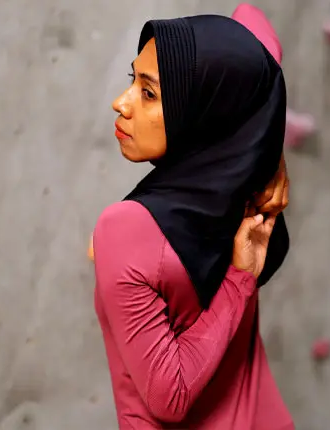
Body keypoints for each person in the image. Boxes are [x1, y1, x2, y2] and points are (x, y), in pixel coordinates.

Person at [92, 13, 294, 430]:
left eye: (148, 93)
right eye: (134, 80)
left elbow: (172, 398)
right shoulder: (246, 195)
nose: (122, 102)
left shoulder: (125, 229)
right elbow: (255, 32)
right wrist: (269, 154)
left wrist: (239, 277)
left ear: (204, 111)